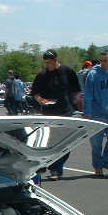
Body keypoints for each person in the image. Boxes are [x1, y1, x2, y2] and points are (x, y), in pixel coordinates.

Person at [31, 49, 80, 180]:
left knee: (67, 142)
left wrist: (74, 102)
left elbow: (76, 90)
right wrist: (41, 100)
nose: (48, 65)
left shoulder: (68, 71)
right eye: (46, 62)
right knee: (51, 141)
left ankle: (57, 167)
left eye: (50, 62)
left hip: (66, 111)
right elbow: (35, 93)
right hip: (49, 112)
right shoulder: (42, 75)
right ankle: (55, 169)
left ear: (56, 60)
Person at [84, 50, 108, 177]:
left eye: (105, 60)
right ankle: (98, 166)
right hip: (96, 113)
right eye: (101, 60)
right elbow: (88, 95)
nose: (103, 63)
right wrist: (87, 113)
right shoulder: (93, 74)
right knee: (96, 143)